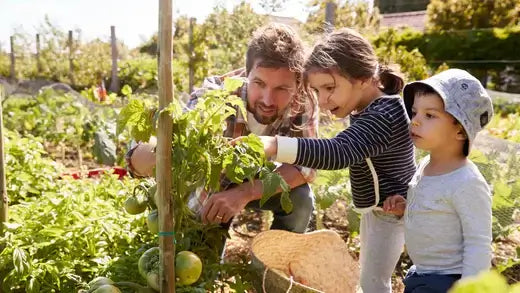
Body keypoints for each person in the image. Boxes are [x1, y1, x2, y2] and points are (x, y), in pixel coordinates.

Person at [256, 28, 416, 293]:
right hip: (382, 210)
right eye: (317, 91)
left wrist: (274, 145)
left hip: (392, 212)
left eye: (329, 88)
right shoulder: (370, 107)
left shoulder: (384, 115)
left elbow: (338, 152)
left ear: (363, 78)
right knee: (372, 277)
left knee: (374, 282)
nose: (322, 101)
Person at [127, 23, 318, 235]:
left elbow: (306, 167)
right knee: (200, 250)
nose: (268, 99)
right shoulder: (216, 96)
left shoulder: (303, 101)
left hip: (260, 178)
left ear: (297, 83)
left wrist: (244, 193)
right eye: (259, 83)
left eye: (282, 88)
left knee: (301, 200)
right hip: (216, 180)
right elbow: (189, 156)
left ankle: (273, 264)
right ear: (247, 73)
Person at [383, 69, 493, 293]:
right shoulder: (425, 166)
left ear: (460, 130)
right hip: (421, 274)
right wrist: (407, 208)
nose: (414, 122)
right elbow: (436, 211)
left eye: (429, 115)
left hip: (447, 282)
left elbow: (478, 243)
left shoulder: (466, 182)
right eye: (414, 113)